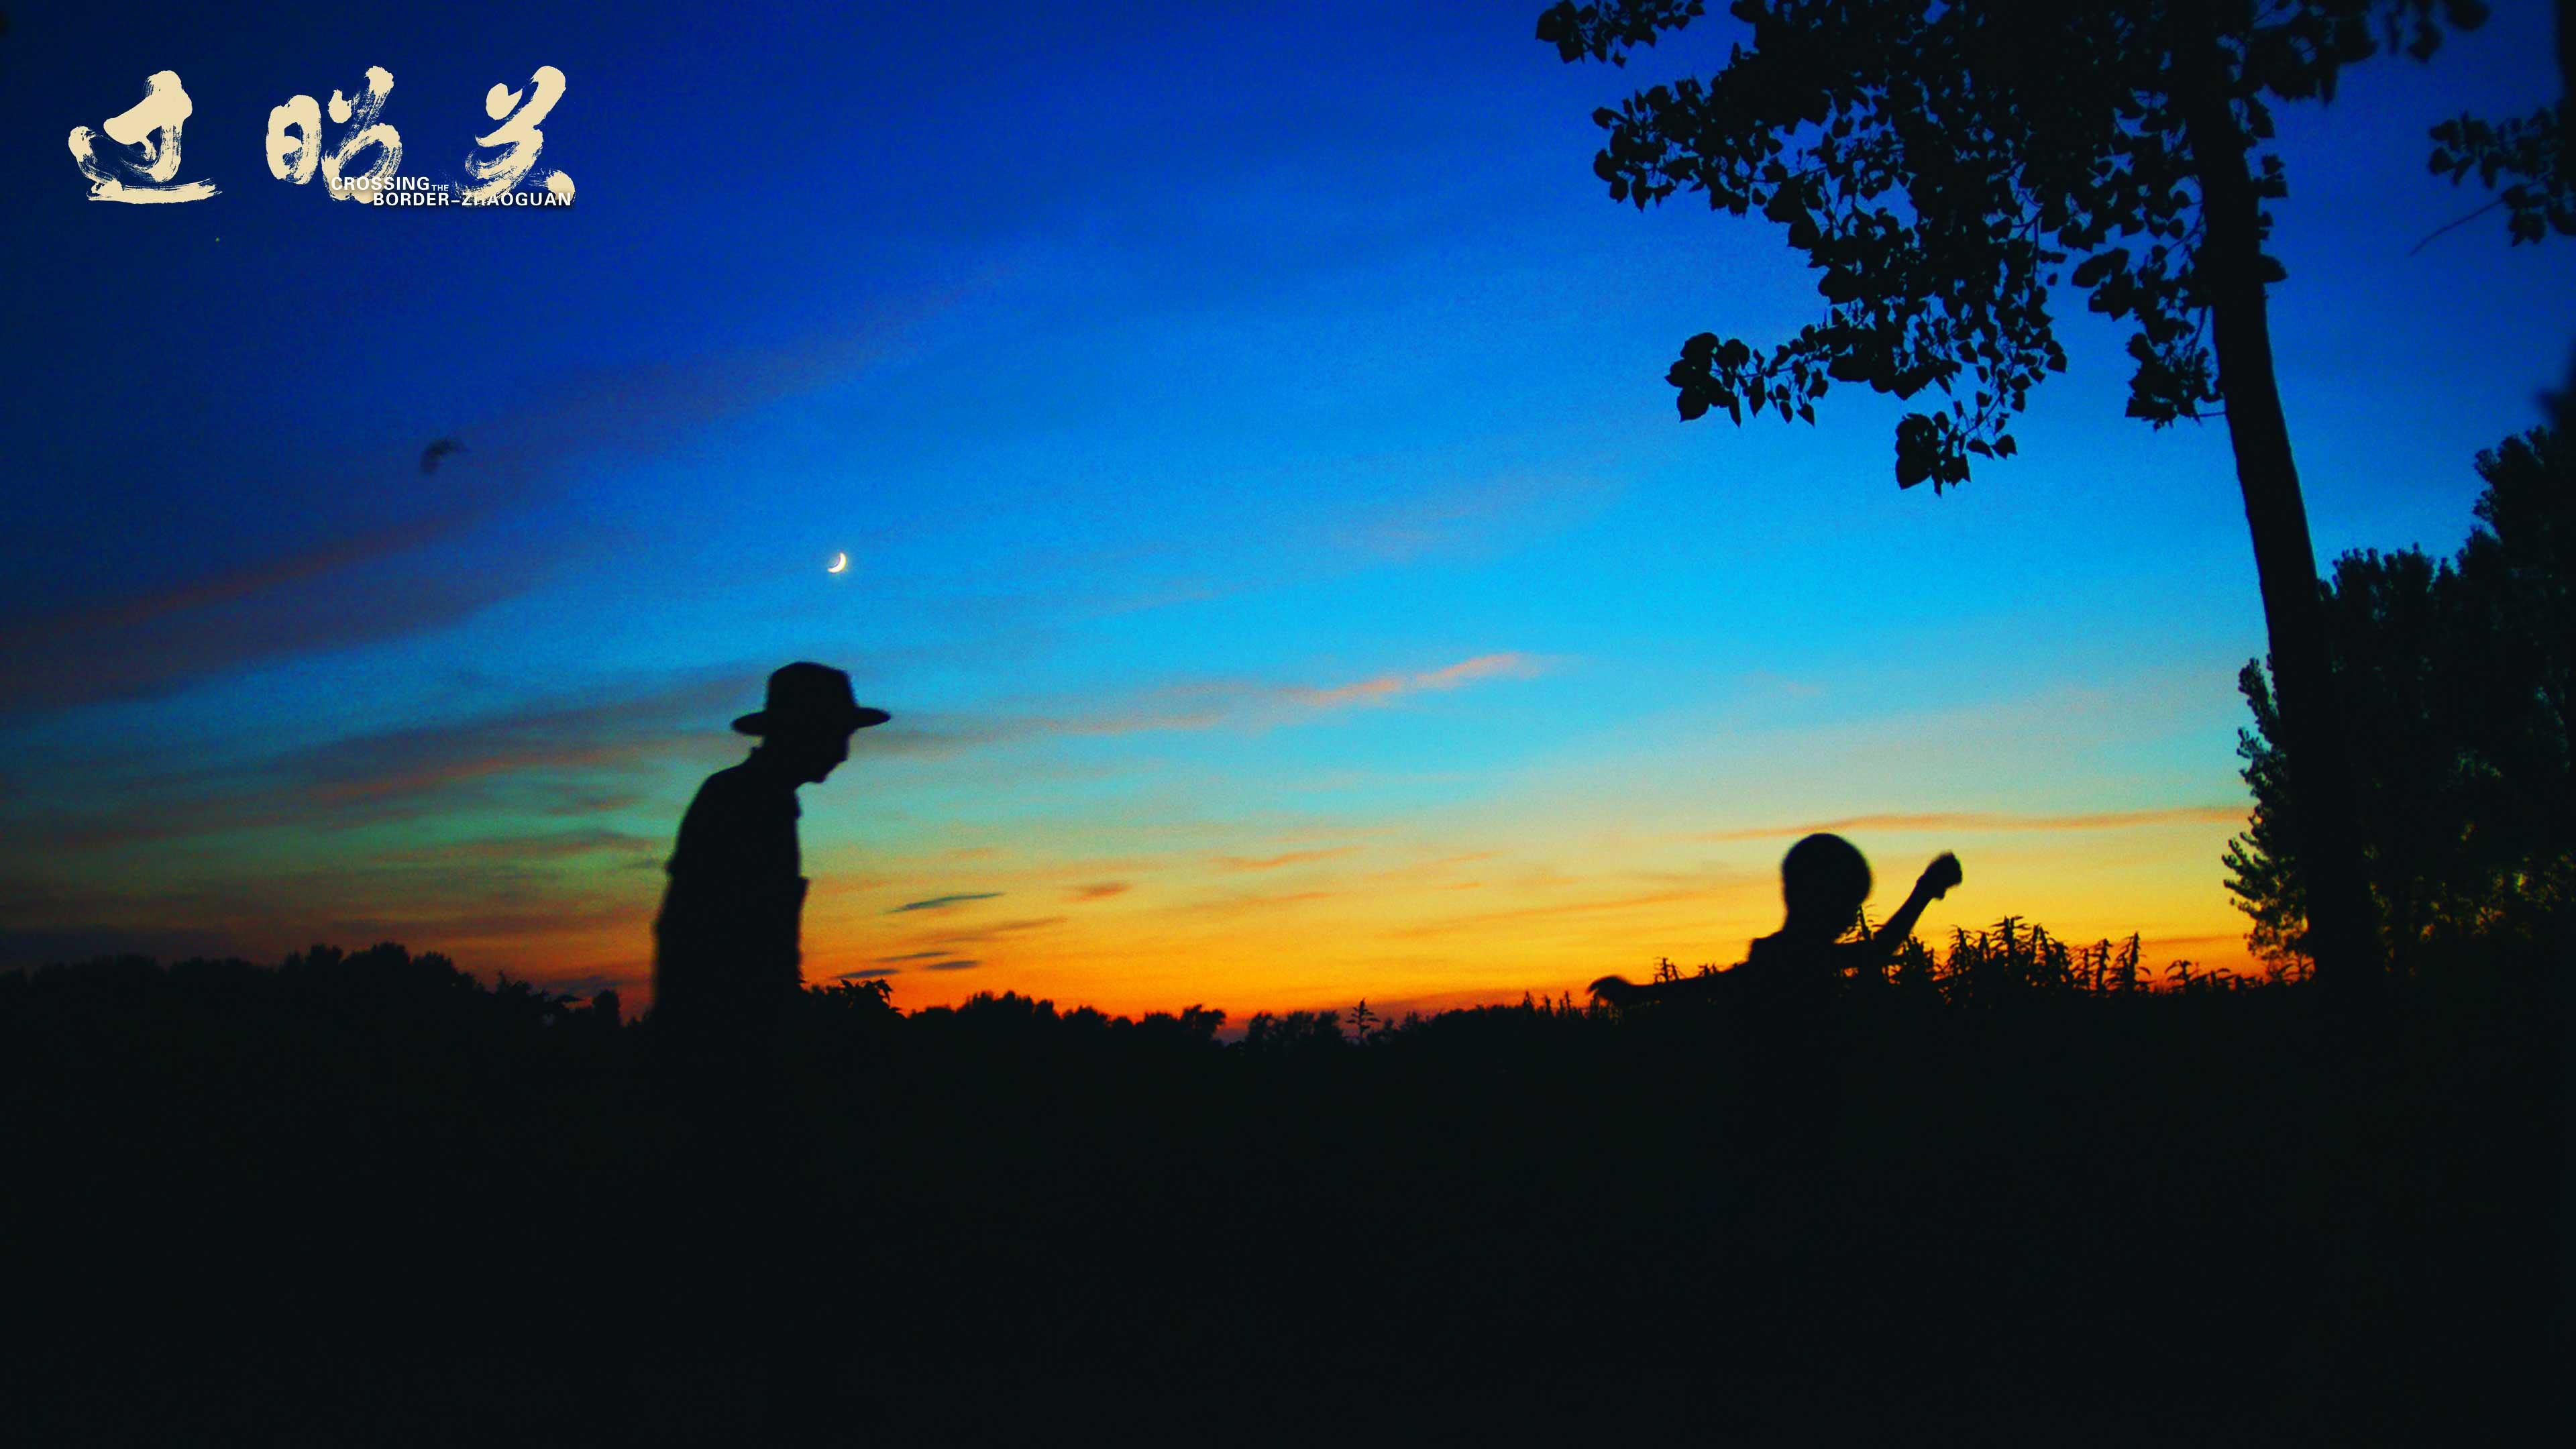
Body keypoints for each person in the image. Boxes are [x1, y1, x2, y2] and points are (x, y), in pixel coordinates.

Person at [650, 661, 890, 1118]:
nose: (843, 753)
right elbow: (707, 940)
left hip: (724, 1057)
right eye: (838, 734)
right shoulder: (746, 803)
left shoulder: (759, 800)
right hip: (722, 1067)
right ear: (805, 730)